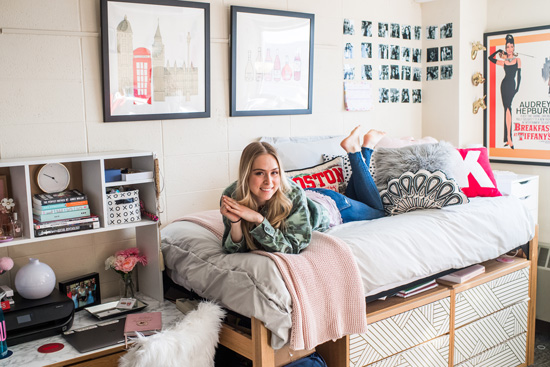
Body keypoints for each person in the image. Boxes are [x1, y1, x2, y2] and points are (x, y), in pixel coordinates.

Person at [220, 126, 385, 254]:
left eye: (274, 173)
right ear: (246, 174)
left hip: (332, 206)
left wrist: (258, 219)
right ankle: (365, 147)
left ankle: (356, 151)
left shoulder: (291, 193)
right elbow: (233, 250)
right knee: (356, 197)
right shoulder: (232, 195)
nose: (268, 181)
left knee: (378, 211)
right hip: (309, 197)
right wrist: (236, 222)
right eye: (259, 173)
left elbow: (292, 247)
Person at [488, 34, 521, 149]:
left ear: (514, 47)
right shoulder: (504, 62)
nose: (509, 49)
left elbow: (519, 76)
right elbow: (490, 58)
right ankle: (509, 139)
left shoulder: (517, 60)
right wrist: (498, 51)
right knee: (507, 109)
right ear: (505, 48)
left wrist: (517, 89)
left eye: (511, 47)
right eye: (507, 47)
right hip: (504, 86)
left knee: (508, 109)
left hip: (512, 85)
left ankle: (508, 138)